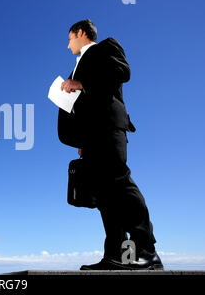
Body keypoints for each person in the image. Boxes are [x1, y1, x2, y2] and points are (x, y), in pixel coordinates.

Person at [58, 19, 163, 270]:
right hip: (92, 137)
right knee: (105, 196)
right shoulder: (78, 64)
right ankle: (117, 254)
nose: (68, 43)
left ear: (81, 33)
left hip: (108, 130)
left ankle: (146, 250)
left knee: (120, 183)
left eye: (70, 37)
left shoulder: (106, 47)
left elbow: (121, 73)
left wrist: (81, 83)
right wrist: (81, 139)